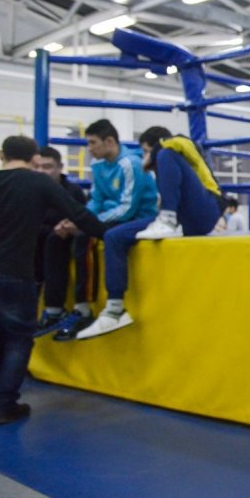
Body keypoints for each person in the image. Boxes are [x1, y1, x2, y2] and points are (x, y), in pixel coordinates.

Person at [0, 136, 106, 424]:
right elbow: (78, 214)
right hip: (15, 273)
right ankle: (4, 404)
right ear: (35, 158)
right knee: (18, 340)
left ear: (2, 155)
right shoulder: (38, 183)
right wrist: (109, 236)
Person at [76, 126, 224, 340]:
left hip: (205, 209)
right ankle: (115, 309)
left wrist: (152, 154)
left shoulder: (177, 149)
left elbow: (175, 142)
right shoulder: (116, 164)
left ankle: (168, 219)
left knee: (165, 154)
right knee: (113, 237)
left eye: (146, 151)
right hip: (181, 217)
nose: (145, 158)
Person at [51, 119, 158, 340]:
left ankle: (84, 307)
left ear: (109, 141)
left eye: (92, 143)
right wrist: (76, 219)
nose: (89, 148)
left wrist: (86, 223)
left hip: (138, 218)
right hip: (109, 218)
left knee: (84, 237)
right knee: (55, 238)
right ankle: (53, 306)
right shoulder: (98, 166)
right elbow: (96, 201)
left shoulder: (131, 163)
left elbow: (128, 208)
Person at [32, 146, 92, 337]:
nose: (42, 172)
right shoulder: (30, 192)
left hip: (60, 244)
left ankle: (55, 309)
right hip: (34, 256)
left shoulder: (72, 192)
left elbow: (82, 219)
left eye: (48, 167)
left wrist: (67, 227)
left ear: (60, 167)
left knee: (54, 239)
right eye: (38, 167)